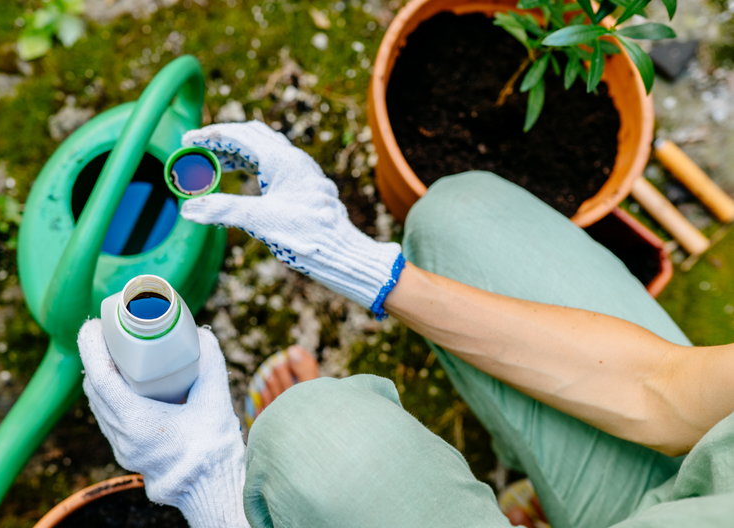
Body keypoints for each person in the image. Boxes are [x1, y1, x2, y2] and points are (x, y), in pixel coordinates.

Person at [77, 121, 734, 527]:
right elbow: (664, 392)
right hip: (696, 492)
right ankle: (535, 475)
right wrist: (358, 262)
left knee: (314, 442)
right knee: (466, 221)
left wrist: (206, 487)